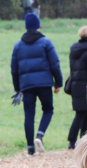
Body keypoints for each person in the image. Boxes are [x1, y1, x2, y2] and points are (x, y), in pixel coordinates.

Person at [11, 12, 63, 155]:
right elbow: (55, 65)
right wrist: (58, 83)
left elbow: (14, 70)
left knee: (29, 115)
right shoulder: (46, 42)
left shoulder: (18, 45)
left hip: (26, 86)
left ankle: (30, 149)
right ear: (38, 26)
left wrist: (17, 89)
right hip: (45, 83)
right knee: (48, 109)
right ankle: (39, 135)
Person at [66, 25, 87, 149]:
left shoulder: (74, 49)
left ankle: (80, 140)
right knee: (83, 113)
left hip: (75, 84)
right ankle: (75, 141)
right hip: (86, 86)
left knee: (84, 112)